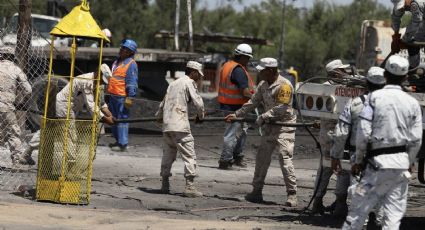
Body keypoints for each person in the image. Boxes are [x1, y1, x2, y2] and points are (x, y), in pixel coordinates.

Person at [343, 55, 422, 229]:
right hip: (400, 165)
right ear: (406, 77)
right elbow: (416, 139)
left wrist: (358, 160)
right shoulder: (412, 103)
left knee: (357, 214)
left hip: (374, 164)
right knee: (392, 218)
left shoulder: (373, 98)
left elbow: (363, 132)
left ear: (385, 74)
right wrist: (409, 161)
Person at [225, 57, 298, 207]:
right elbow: (253, 102)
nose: (260, 73)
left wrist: (264, 116)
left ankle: (292, 194)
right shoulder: (263, 85)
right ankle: (256, 191)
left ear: (270, 70)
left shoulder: (284, 85)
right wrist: (237, 114)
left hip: (284, 127)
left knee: (285, 159)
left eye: (262, 71)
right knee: (262, 159)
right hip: (269, 127)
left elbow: (282, 108)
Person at [23, 64, 115, 159]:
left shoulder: (98, 83)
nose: (101, 83)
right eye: (101, 80)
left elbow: (101, 102)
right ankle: (70, 159)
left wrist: (111, 116)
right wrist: (104, 118)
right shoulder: (86, 81)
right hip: (64, 105)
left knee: (49, 129)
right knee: (70, 133)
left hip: (68, 107)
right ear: (97, 73)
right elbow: (91, 105)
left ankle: (27, 152)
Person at [329, 67, 386, 218]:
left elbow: (341, 133)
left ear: (366, 83)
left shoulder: (354, 104)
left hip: (359, 158)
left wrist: (335, 156)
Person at [156, 61, 205, 197]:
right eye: (198, 75)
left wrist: (159, 118)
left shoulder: (173, 83)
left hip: (167, 126)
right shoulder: (189, 82)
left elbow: (163, 103)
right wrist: (201, 116)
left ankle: (164, 184)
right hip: (180, 126)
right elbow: (198, 102)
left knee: (168, 154)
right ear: (193, 72)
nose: (199, 77)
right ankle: (190, 187)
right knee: (189, 155)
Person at [311, 59, 351, 214]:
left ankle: (317, 201)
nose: (346, 74)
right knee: (342, 169)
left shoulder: (324, 88)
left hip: (325, 135)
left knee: (325, 167)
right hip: (337, 136)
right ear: (335, 73)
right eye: (343, 71)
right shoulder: (339, 88)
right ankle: (340, 205)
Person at [217, 43, 255, 169]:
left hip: (229, 105)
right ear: (242, 56)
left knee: (242, 132)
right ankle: (225, 160)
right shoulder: (238, 70)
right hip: (234, 108)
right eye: (248, 58)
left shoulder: (227, 65)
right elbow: (244, 91)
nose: (249, 61)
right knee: (231, 134)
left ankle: (237, 156)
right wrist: (257, 99)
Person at [0, 49, 32, 165]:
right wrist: (23, 102)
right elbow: (28, 90)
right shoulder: (16, 69)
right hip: (6, 107)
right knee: (13, 132)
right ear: (13, 57)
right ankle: (17, 160)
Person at [107, 39, 139, 151]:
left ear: (130, 52)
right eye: (121, 48)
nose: (121, 50)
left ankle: (123, 144)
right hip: (113, 96)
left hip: (122, 97)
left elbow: (132, 83)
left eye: (124, 49)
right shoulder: (116, 62)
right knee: (114, 119)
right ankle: (117, 140)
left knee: (123, 120)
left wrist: (130, 98)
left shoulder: (131, 64)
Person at [391, 0, 425, 71]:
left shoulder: (416, 3)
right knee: (412, 43)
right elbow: (395, 19)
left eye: (403, 6)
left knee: (411, 41)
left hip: (421, 20)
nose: (403, 8)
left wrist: (405, 40)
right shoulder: (401, 6)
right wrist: (396, 37)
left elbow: (416, 23)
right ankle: (413, 68)